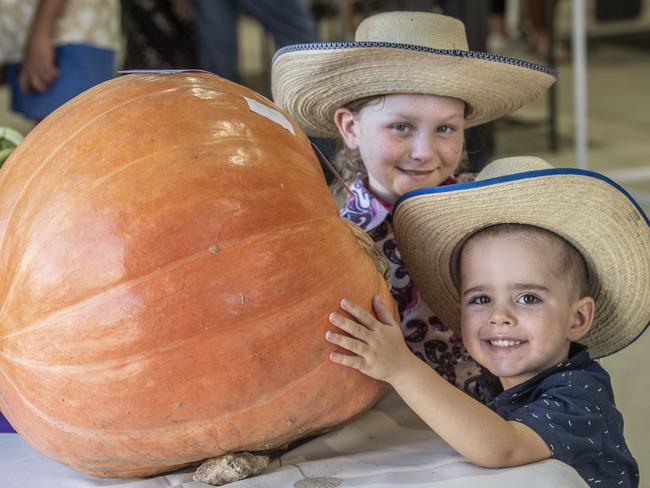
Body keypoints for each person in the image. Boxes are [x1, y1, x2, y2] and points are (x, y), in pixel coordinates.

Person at [271, 11, 557, 397]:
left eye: (445, 128)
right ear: (351, 128)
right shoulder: (334, 242)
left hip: (501, 409)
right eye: (401, 127)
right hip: (390, 421)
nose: (424, 152)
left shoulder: (492, 211)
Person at [325, 156, 647, 487]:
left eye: (528, 298)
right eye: (481, 299)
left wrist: (400, 368)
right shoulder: (495, 378)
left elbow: (502, 448)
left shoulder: (581, 395)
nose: (499, 317)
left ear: (577, 318)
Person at [0, 0, 120, 122]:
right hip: (27, 34)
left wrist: (40, 37)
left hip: (67, 33)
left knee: (73, 125)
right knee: (50, 130)